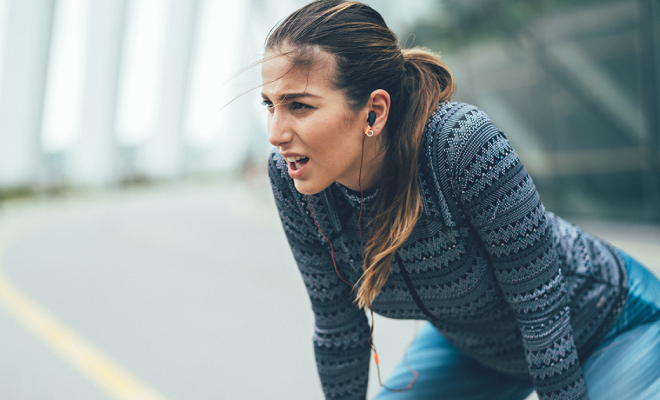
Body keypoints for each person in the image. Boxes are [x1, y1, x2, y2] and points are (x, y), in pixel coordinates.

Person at [262, 1, 660, 399]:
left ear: (374, 111)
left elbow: (541, 311)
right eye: (270, 105)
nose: (276, 133)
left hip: (606, 323)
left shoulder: (461, 146)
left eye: (299, 105)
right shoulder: (294, 180)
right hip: (475, 349)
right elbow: (338, 328)